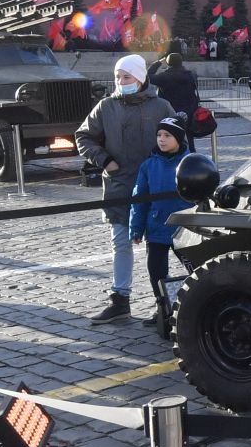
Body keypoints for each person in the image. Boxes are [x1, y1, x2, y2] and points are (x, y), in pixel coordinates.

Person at [77, 54, 178, 323]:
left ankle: (164, 304)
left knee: (160, 246)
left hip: (155, 188)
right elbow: (83, 136)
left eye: (126, 77)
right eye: (118, 77)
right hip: (120, 187)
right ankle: (120, 299)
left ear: (140, 78)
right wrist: (104, 160)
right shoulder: (106, 107)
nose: (121, 82)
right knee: (121, 243)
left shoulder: (161, 107)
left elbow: (178, 140)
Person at [130, 115, 194, 331]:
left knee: (195, 269)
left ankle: (198, 303)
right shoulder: (148, 166)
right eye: (159, 135)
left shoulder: (191, 162)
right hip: (157, 228)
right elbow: (139, 199)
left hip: (185, 229)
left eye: (167, 135)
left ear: (178, 138)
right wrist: (136, 227)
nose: (162, 139)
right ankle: (162, 308)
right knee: (156, 272)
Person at [151, 51, 200, 124]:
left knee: (170, 133)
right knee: (187, 133)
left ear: (168, 63)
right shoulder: (191, 75)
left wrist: (158, 63)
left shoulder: (163, 77)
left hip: (169, 112)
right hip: (189, 111)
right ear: (181, 62)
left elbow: (148, 76)